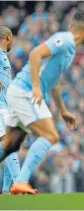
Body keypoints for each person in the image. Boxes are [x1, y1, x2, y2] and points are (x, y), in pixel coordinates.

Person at [0, 10, 84, 194]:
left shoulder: (69, 52)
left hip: (19, 96)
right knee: (49, 135)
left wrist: (63, 110)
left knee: (11, 145)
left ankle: (7, 192)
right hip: (22, 92)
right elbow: (35, 54)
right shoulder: (64, 40)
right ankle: (20, 183)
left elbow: (55, 82)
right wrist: (35, 87)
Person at [0, 26, 21, 194]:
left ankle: (6, 190)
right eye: (11, 37)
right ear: (6, 37)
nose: (12, 41)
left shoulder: (4, 57)